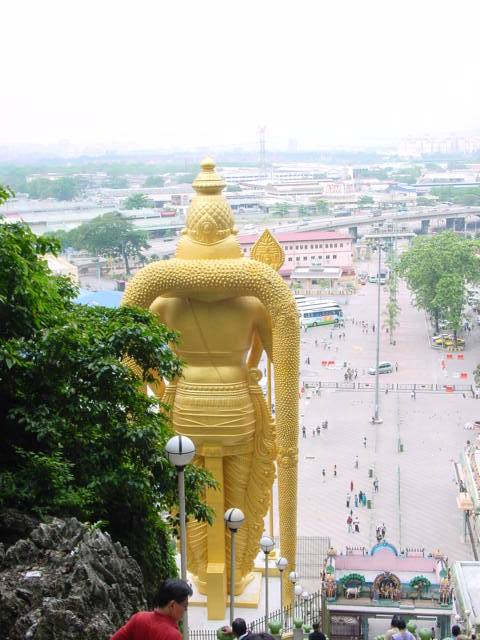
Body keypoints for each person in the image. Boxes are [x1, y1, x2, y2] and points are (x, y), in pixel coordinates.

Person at [111, 578, 192, 640]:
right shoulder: (172, 635)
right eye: (185, 606)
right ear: (172, 605)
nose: (185, 610)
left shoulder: (139, 618)